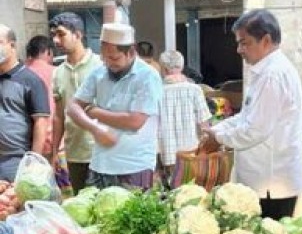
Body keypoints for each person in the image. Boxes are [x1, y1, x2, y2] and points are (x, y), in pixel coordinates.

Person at [199, 9, 302, 220]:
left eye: (244, 43)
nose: (239, 50)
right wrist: (216, 130)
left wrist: (217, 138)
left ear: (266, 40)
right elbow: (247, 116)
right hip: (262, 182)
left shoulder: (273, 76)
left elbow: (255, 130)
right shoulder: (264, 72)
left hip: (271, 185)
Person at [67, 23, 163, 190]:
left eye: (114, 58)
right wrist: (95, 129)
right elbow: (73, 107)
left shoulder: (148, 76)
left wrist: (93, 111)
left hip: (134, 165)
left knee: (130, 214)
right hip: (99, 163)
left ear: (131, 52)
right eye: (105, 57)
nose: (109, 63)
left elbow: (135, 121)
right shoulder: (98, 73)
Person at [49, 12, 103, 194]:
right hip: (74, 154)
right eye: (53, 35)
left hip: (102, 150)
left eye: (61, 34)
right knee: (81, 203)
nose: (56, 40)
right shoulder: (58, 73)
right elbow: (58, 116)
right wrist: (55, 151)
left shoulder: (100, 66)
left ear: (78, 35)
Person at [0, 24, 49, 180]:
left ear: (12, 45)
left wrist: (33, 162)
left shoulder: (31, 81)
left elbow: (41, 122)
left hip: (16, 161)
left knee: (14, 203)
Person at [158, 50, 212, 180]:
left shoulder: (157, 92)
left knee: (171, 191)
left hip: (167, 153)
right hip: (191, 152)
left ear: (164, 69)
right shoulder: (195, 90)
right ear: (181, 67)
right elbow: (204, 124)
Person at [24, 35, 55, 156]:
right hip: (56, 143)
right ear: (48, 52)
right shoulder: (58, 72)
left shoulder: (21, 74)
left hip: (28, 144)